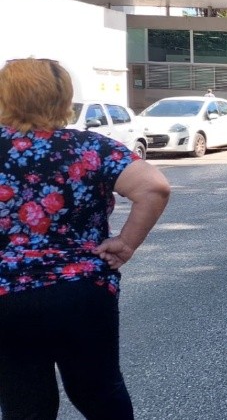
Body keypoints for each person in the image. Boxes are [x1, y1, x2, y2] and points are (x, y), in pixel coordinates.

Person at [0, 58, 171, 418]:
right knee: (99, 393)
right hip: (80, 291)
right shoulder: (92, 148)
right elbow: (154, 187)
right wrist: (125, 244)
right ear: (64, 97)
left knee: (23, 401)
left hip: (6, 296)